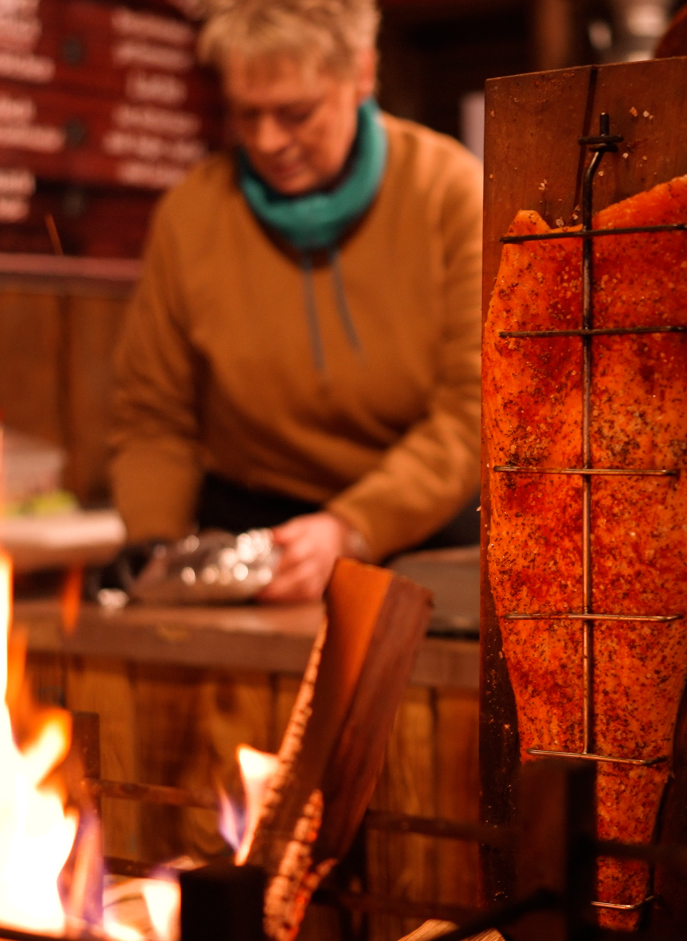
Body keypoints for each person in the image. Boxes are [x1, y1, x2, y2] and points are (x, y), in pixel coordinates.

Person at [109, 0, 482, 603]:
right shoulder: (191, 215)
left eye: (296, 113)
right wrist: (155, 543)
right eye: (245, 115)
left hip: (423, 528)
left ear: (361, 74)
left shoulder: (450, 192)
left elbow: (475, 410)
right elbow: (155, 418)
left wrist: (354, 528)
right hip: (248, 531)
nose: (267, 140)